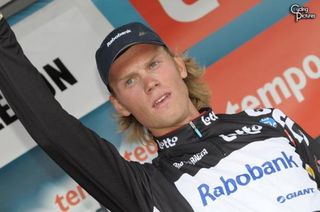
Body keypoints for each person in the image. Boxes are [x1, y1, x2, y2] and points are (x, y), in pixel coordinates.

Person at [0, 13, 320, 212]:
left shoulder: (268, 121)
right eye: (130, 80)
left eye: (153, 64)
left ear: (179, 65)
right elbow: (55, 133)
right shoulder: (147, 189)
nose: (150, 83)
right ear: (120, 104)